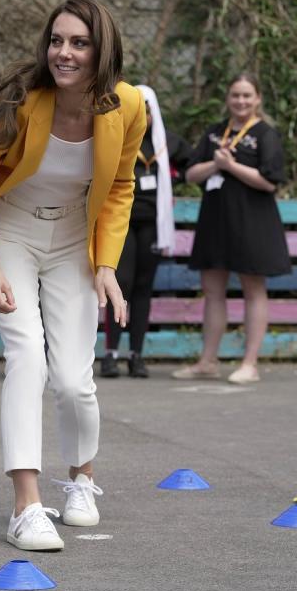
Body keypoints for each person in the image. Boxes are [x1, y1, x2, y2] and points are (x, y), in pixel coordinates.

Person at [0, 0, 145, 551]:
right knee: (27, 356)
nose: (63, 53)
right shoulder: (15, 101)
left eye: (78, 43)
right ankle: (24, 507)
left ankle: (82, 480)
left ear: (103, 50)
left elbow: (120, 187)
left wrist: (106, 265)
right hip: (13, 232)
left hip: (75, 235)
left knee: (74, 378)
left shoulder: (128, 105)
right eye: (56, 40)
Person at [173, 73, 290, 384]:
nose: (241, 101)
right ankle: (207, 360)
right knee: (212, 292)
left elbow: (269, 181)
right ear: (227, 98)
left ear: (258, 99)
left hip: (253, 223)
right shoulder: (214, 133)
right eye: (235, 95)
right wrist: (215, 164)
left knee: (254, 290)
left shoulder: (265, 134)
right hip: (216, 221)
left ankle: (250, 364)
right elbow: (191, 175)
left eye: (247, 96)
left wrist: (231, 166)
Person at [100, 84, 191, 378]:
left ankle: (136, 355)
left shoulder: (166, 143)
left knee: (143, 288)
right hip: (122, 223)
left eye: (149, 111)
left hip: (153, 224)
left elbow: (192, 163)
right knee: (120, 285)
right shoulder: (117, 138)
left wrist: (171, 183)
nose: (145, 116)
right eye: (140, 110)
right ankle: (110, 354)